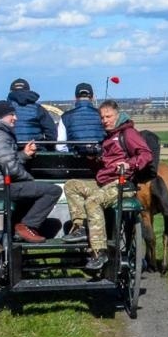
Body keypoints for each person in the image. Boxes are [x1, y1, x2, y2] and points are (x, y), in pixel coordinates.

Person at [62, 99, 154, 272]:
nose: (105, 120)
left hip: (122, 184)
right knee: (71, 185)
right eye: (102, 117)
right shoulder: (107, 137)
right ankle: (80, 227)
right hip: (104, 183)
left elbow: (146, 155)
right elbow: (104, 166)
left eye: (108, 116)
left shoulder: (128, 133)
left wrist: (129, 164)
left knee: (92, 201)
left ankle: (99, 252)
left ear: (117, 115)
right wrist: (93, 159)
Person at [0, 100, 60, 243]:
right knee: (53, 191)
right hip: (2, 187)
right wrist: (29, 179)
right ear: (2, 116)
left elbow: (8, 160)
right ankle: (26, 227)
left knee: (36, 190)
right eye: (12, 114)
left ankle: (20, 228)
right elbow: (10, 168)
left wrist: (24, 154)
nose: (15, 118)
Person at [6, 78, 57, 144]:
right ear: (28, 91)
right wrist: (46, 146)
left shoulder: (4, 108)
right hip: (34, 147)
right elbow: (51, 131)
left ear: (10, 91)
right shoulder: (38, 108)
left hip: (10, 147)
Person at [59, 81, 105, 154]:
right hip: (98, 157)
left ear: (75, 98)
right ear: (93, 97)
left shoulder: (65, 117)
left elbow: (60, 146)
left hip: (75, 159)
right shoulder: (102, 114)